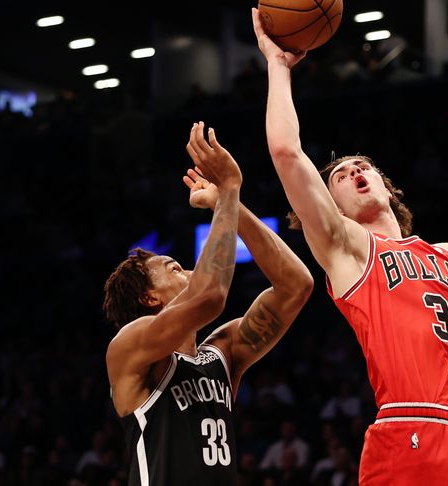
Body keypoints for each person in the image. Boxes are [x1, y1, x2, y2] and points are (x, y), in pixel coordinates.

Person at [251, 8, 448, 484]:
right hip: (406, 430)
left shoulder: (444, 256)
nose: (352, 172)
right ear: (334, 208)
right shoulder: (347, 248)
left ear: (387, 187)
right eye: (340, 177)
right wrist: (278, 67)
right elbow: (287, 153)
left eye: (360, 166)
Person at [102, 121, 313, 485]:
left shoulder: (220, 354)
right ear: (149, 297)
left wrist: (228, 203)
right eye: (174, 268)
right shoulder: (131, 347)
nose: (188, 270)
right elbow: (210, 296)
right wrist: (229, 189)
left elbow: (296, 285)